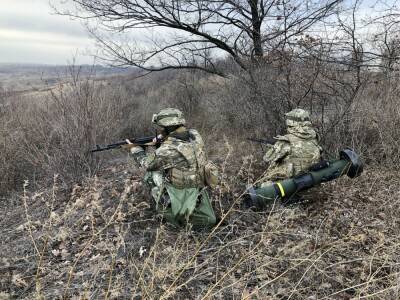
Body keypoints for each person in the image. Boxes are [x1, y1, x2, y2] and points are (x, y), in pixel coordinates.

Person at [125, 108, 217, 229]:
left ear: (167, 128)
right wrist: (162, 139)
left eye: (162, 128)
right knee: (210, 220)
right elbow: (179, 142)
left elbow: (147, 164)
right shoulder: (195, 135)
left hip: (181, 188)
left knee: (151, 175)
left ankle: (160, 201)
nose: (160, 130)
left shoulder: (167, 149)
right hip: (198, 183)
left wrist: (135, 149)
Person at [260, 108, 322, 187]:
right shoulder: (314, 138)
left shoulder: (286, 141)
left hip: (291, 185)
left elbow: (267, 158)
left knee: (263, 186)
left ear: (291, 123)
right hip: (311, 182)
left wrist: (274, 148)